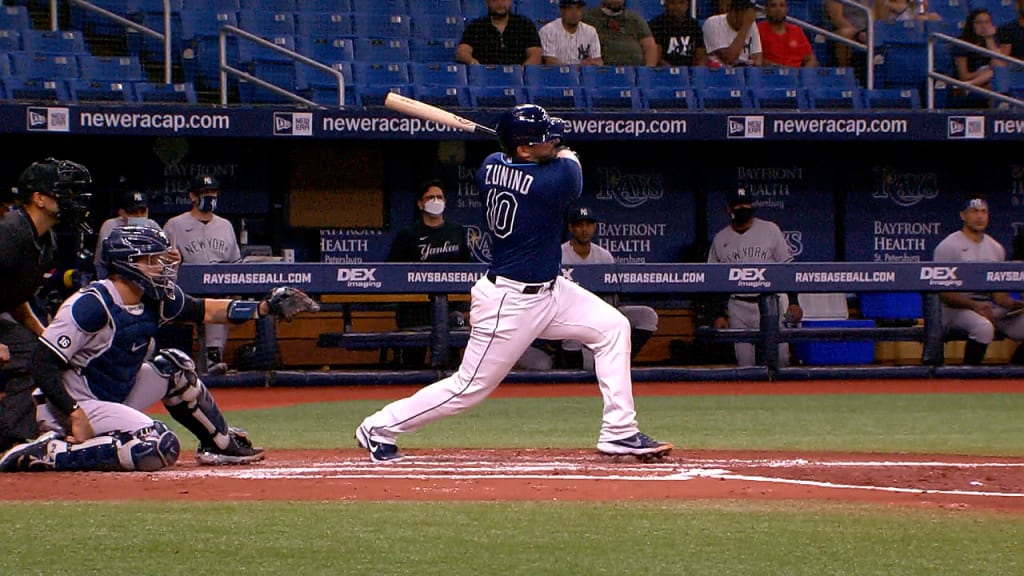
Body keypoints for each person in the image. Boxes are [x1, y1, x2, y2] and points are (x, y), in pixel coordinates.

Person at [355, 104, 672, 463]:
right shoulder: (552, 181)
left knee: (613, 327)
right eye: (544, 138)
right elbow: (569, 164)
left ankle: (619, 431)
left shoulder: (490, 166)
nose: (554, 140)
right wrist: (556, 151)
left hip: (552, 290)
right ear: (522, 150)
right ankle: (378, 427)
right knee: (468, 388)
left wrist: (536, 147)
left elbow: (530, 157)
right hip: (510, 301)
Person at [0, 224, 320, 472]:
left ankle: (220, 445)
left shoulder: (153, 298)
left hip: (114, 393)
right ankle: (49, 452)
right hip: (74, 403)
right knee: (157, 446)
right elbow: (42, 361)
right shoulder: (92, 304)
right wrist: (74, 413)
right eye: (152, 260)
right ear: (128, 264)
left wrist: (263, 308)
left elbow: (204, 310)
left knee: (175, 366)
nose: (162, 266)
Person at [0, 158, 92, 453]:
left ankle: (10, 440)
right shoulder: (9, 231)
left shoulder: (45, 240)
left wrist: (43, 334)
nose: (71, 200)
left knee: (33, 353)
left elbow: (14, 297)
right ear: (39, 199)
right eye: (63, 192)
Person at [517, 205, 659, 371]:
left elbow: (612, 298)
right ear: (571, 228)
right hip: (568, 318)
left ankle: (618, 363)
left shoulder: (604, 256)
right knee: (575, 334)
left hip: (599, 314)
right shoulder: (557, 255)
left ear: (594, 227)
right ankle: (574, 371)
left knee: (647, 316)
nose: (584, 229)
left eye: (588, 224)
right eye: (579, 225)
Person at [707, 187, 803, 367]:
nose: (742, 208)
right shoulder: (720, 239)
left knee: (781, 359)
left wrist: (794, 301)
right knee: (744, 363)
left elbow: (787, 267)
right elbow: (714, 281)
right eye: (738, 205)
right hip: (737, 305)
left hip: (768, 304)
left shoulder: (770, 230)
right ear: (729, 209)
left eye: (746, 204)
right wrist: (719, 314)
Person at [386, 178, 472, 368]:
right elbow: (392, 272)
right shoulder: (408, 234)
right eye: (430, 197)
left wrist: (465, 308)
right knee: (413, 364)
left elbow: (468, 271)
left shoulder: (456, 232)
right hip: (415, 310)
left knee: (451, 364)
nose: (436, 201)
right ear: (420, 203)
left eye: (439, 197)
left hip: (451, 309)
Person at [162, 174, 241, 374]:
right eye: (205, 193)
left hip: (217, 290)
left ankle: (212, 362)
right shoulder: (175, 225)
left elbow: (235, 263)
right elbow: (163, 263)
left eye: (213, 193)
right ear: (192, 197)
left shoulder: (225, 225)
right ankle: (210, 360)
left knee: (218, 301)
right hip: (185, 290)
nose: (210, 197)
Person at [933, 194, 1024, 365]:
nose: (980, 216)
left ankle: (1013, 370)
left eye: (984, 212)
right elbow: (944, 293)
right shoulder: (948, 246)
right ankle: (968, 376)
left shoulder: (996, 248)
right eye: (974, 211)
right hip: (954, 310)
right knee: (983, 328)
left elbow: (999, 297)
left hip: (988, 308)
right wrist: (974, 306)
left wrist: (1016, 305)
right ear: (963, 216)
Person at [93, 188, 162, 280]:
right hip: (117, 278)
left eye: (143, 211)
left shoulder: (152, 225)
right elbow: (100, 261)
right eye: (133, 212)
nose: (139, 216)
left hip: (148, 278)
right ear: (121, 212)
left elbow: (163, 256)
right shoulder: (110, 225)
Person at [456, 0, 543, 65]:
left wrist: (521, 74)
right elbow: (462, 52)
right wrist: (475, 64)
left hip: (516, 80)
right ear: (487, 2)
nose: (500, 3)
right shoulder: (476, 26)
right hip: (485, 79)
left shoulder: (525, 25)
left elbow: (535, 55)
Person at [582, 0, 659, 66]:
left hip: (634, 74)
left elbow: (650, 46)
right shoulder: (589, 18)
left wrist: (648, 71)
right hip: (601, 72)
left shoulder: (634, 19)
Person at [538, 0, 604, 65]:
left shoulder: (590, 31)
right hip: (556, 75)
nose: (574, 13)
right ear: (561, 11)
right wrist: (578, 67)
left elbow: (598, 61)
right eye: (570, 8)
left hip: (585, 75)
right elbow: (551, 62)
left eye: (578, 8)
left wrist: (593, 63)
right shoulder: (548, 31)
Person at [757, 0, 818, 68]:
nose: (778, 9)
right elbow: (754, 59)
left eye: (782, 6)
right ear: (766, 10)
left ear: (787, 9)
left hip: (795, 75)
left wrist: (803, 75)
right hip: (769, 74)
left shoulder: (796, 31)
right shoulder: (758, 30)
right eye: (773, 6)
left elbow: (811, 59)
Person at [703, 0, 763, 67]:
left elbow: (758, 59)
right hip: (719, 74)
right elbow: (729, 59)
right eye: (746, 14)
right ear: (734, 12)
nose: (750, 17)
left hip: (744, 74)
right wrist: (745, 26)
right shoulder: (713, 23)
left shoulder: (751, 24)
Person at [648, 0, 706, 67]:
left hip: (688, 72)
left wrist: (697, 73)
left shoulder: (693, 25)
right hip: (664, 72)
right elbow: (656, 57)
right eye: (672, 3)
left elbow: (701, 56)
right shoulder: (656, 25)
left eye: (681, 3)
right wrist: (673, 71)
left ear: (687, 5)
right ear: (666, 4)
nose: (677, 7)